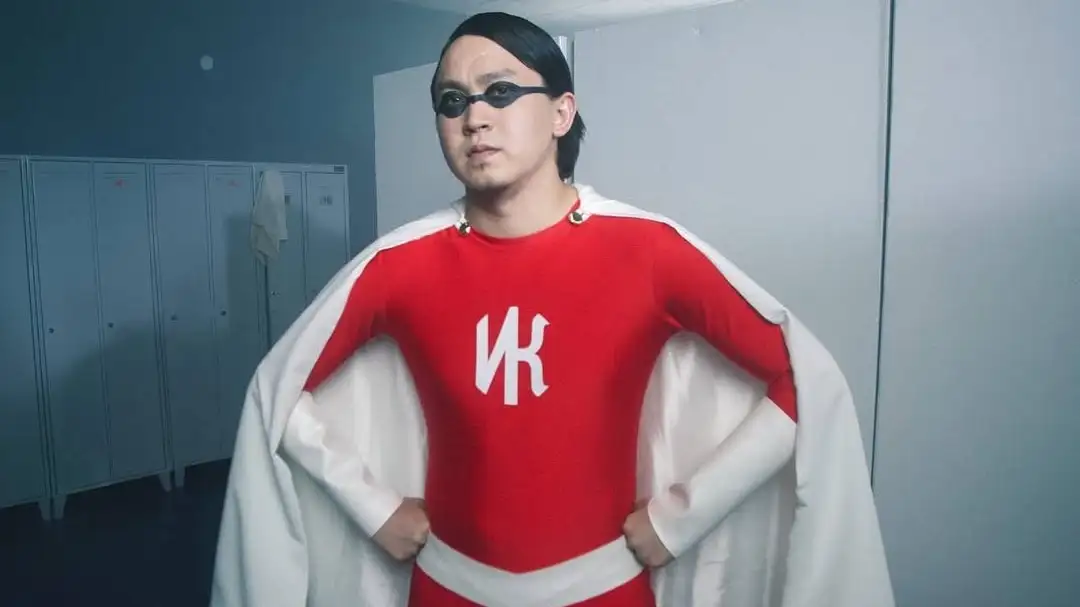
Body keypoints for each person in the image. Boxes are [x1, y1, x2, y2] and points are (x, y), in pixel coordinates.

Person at [210, 11, 894, 607]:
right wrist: (373, 507)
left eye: (501, 91)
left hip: (603, 590)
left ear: (562, 112)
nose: (475, 116)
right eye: (451, 101)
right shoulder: (399, 265)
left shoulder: (648, 250)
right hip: (448, 589)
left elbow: (804, 379)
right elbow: (277, 392)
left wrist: (682, 517)